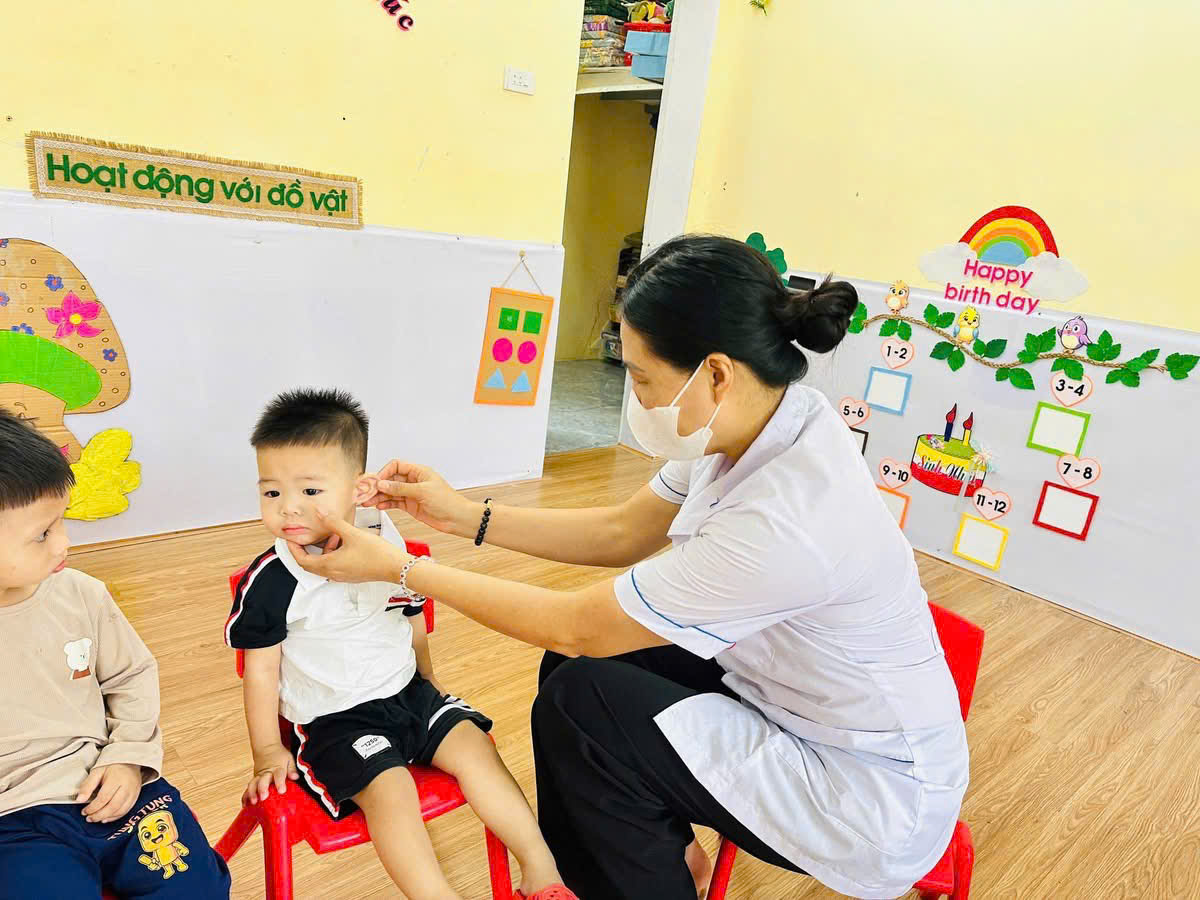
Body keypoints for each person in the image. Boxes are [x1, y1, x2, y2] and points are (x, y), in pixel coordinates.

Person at [285, 236, 971, 900]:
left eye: (641, 377)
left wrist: (401, 569)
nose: (636, 397)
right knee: (575, 672)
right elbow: (622, 531)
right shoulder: (760, 420)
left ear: (716, 373)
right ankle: (657, 852)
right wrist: (462, 514)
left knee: (583, 704)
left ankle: (628, 871)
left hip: (865, 794)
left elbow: (580, 623)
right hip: (801, 694)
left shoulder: (786, 517)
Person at [225, 389, 576, 900]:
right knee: (393, 791)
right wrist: (265, 752)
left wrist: (429, 680)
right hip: (335, 721)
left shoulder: (386, 545)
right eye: (272, 493)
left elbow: (410, 616)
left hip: (409, 693)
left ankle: (543, 874)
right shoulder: (272, 579)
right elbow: (260, 671)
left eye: (310, 490)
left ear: (358, 489)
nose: (288, 508)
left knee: (476, 750)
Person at [0, 410, 231, 899]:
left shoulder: (81, 593)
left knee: (198, 888)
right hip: (13, 824)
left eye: (61, 521)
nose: (64, 543)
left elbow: (131, 676)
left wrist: (128, 757)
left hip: (113, 781)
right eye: (42, 534)